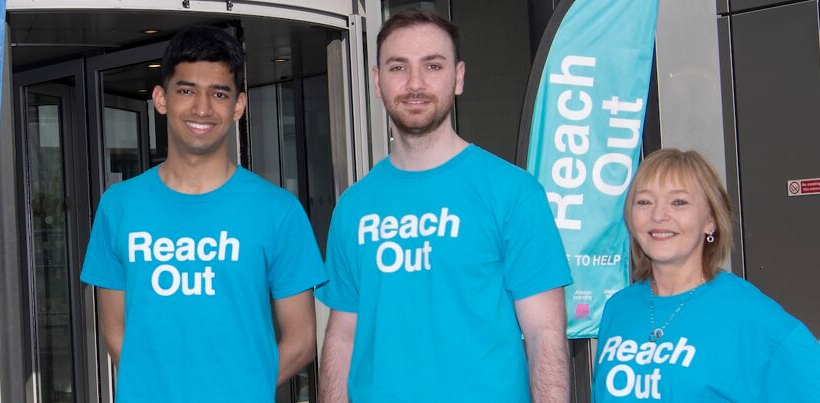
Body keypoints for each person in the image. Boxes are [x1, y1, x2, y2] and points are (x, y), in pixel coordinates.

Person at [316, 9, 573, 403]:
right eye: (398, 67)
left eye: (432, 66)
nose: (414, 83)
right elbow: (342, 337)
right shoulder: (353, 206)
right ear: (376, 81)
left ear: (458, 78)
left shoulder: (513, 193)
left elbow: (545, 336)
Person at [78, 25, 325, 402]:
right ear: (161, 98)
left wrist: (238, 392)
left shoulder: (278, 211)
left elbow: (302, 341)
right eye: (187, 90)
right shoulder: (119, 205)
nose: (202, 108)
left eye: (219, 93)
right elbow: (114, 331)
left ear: (238, 106)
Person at [592, 148, 820, 401]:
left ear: (710, 221)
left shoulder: (747, 312)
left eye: (678, 202)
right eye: (644, 202)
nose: (658, 215)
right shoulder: (619, 308)